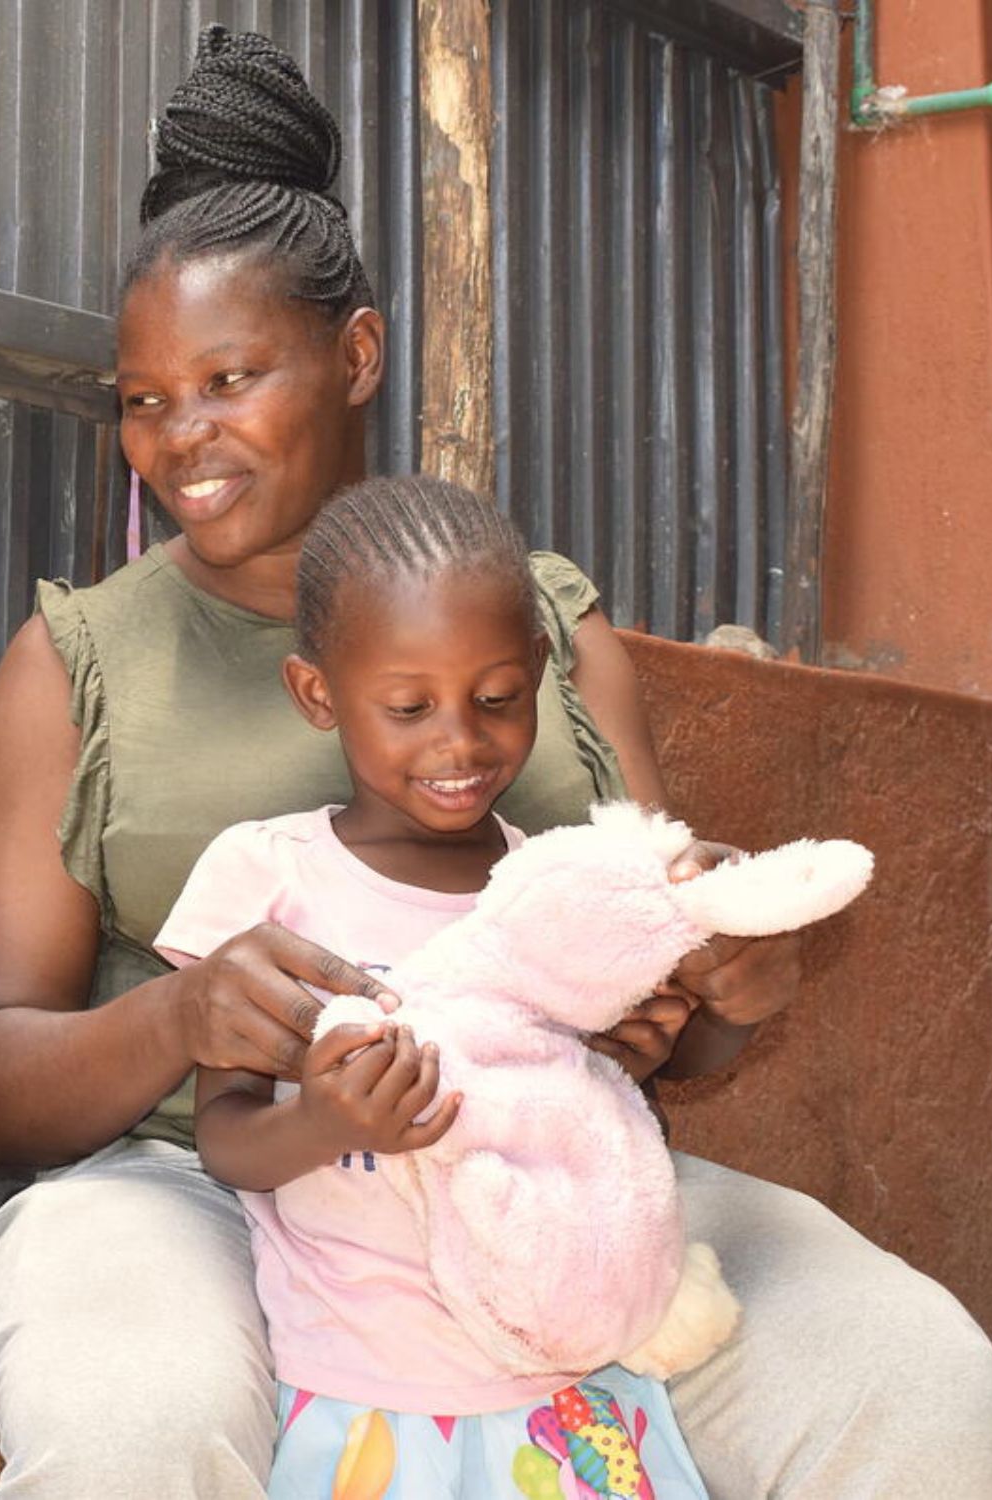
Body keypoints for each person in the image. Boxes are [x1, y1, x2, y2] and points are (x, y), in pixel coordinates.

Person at [0, 25, 992, 1500]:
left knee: (913, 1385)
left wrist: (719, 1001)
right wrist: (185, 1016)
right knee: (134, 1421)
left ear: (358, 354)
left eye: (230, 379)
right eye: (144, 400)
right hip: (202, 1182)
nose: (177, 440)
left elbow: (660, 1011)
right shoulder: (74, 663)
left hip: (539, 1168)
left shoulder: (545, 630)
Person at [160, 475, 709, 1497]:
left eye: (496, 699)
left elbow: (587, 1109)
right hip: (363, 1392)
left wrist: (634, 1049)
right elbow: (226, 1133)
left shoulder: (545, 895)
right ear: (316, 693)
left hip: (561, 1395)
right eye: (407, 707)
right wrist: (325, 1123)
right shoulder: (266, 874)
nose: (457, 741)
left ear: (538, 676)